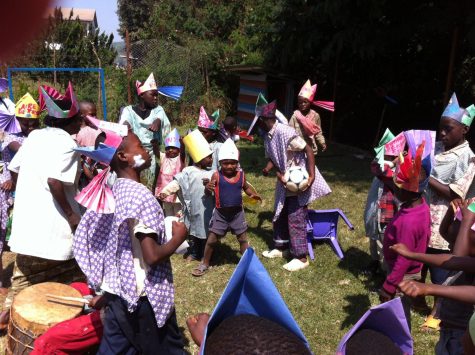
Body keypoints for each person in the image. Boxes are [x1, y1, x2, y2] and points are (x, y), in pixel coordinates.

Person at [74, 131, 188, 354]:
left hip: (119, 293)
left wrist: (107, 294)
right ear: (124, 156)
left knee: (116, 348)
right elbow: (152, 256)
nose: (146, 150)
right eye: (140, 146)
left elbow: (120, 247)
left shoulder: (116, 190)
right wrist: (178, 238)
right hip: (142, 298)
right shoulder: (140, 196)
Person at [0, 82, 85, 329]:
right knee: (76, 275)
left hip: (28, 227)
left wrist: (27, 196)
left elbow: (15, 169)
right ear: (69, 121)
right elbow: (54, 181)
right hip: (54, 229)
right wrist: (71, 216)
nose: (81, 123)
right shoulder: (69, 144)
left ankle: (9, 317)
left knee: (23, 278)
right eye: (78, 119)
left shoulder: (35, 137)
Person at [248, 95, 331, 271]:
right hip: (284, 180)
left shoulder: (284, 132)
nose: (257, 129)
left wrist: (311, 176)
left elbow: (307, 149)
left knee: (296, 217)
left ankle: (301, 257)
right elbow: (275, 158)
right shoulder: (268, 137)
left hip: (297, 180)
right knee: (280, 213)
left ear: (264, 120)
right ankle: (281, 247)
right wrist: (274, 171)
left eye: (258, 123)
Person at [392, 199, 475, 355]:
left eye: (460, 235)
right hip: (450, 328)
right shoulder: (468, 259)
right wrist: (412, 254)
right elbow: (451, 257)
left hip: (461, 332)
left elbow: (456, 257)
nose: (454, 240)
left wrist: (429, 288)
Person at [424, 94, 475, 328]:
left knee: (439, 268)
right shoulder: (435, 149)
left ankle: (437, 311)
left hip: (443, 220)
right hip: (424, 214)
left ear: (464, 129)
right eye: (440, 129)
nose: (442, 134)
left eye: (448, 129)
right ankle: (416, 300)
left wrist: (426, 176)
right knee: (422, 260)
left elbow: (456, 194)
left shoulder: (468, 158)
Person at [375, 142, 431, 328]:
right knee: (400, 311)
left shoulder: (409, 222)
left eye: (397, 187)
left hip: (402, 275)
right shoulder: (420, 205)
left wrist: (389, 285)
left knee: (397, 313)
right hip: (407, 272)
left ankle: (400, 343)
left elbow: (404, 259)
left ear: (409, 191)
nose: (395, 190)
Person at [192, 139, 261, 276]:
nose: (229, 166)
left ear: (237, 163)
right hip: (221, 214)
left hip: (237, 214)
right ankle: (205, 263)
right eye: (225, 163)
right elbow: (208, 192)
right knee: (211, 240)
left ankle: (248, 263)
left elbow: (246, 187)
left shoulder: (241, 175)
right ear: (220, 163)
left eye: (233, 163)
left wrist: (252, 195)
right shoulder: (216, 175)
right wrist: (207, 188)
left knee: (242, 239)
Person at [0, 93, 40, 294]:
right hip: (8, 188)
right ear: (17, 121)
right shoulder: (10, 137)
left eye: (34, 124)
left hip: (27, 189)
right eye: (26, 124)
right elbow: (25, 152)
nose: (30, 128)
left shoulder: (34, 135)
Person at [159, 129, 215, 262]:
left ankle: (206, 255)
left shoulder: (213, 173)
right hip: (193, 209)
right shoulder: (188, 171)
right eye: (209, 157)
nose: (212, 159)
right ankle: (195, 253)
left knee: (207, 233)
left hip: (207, 210)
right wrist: (165, 192)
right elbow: (176, 183)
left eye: (211, 156)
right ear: (199, 159)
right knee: (193, 233)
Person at [119, 72, 171, 188]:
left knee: (151, 184)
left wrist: (157, 122)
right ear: (142, 95)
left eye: (157, 95)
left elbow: (160, 118)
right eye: (153, 95)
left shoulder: (158, 110)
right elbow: (124, 121)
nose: (156, 98)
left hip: (152, 153)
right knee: (135, 182)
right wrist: (126, 125)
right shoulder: (129, 110)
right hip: (135, 154)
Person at [288, 79, 335, 157]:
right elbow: (289, 131)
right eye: (300, 102)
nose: (302, 104)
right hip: (297, 149)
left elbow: (318, 132)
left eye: (305, 102)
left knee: (310, 168)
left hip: (311, 149)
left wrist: (322, 142)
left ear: (310, 102)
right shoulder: (295, 115)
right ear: (297, 103)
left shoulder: (315, 116)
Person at [154, 128, 185, 217]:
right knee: (168, 213)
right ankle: (169, 228)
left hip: (177, 194)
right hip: (165, 192)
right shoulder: (164, 157)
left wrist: (182, 144)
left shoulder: (180, 158)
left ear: (178, 150)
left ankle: (178, 229)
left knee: (178, 214)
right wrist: (155, 145)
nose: (170, 150)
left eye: (173, 148)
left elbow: (183, 152)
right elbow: (157, 153)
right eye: (168, 148)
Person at [197, 106, 222, 170]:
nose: (201, 134)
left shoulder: (219, 147)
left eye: (204, 132)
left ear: (213, 133)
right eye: (199, 131)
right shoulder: (196, 144)